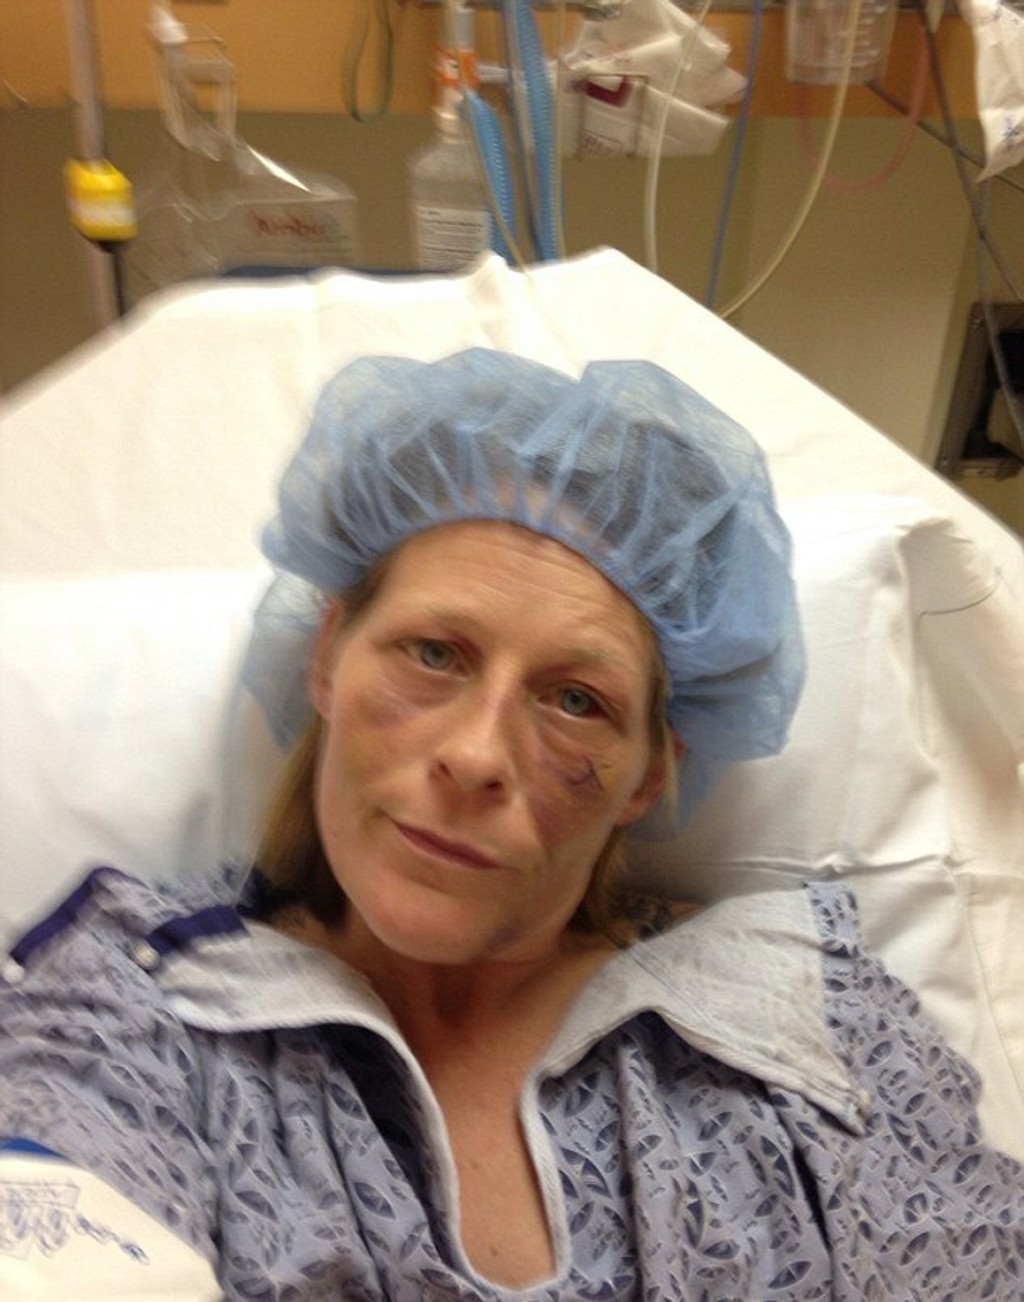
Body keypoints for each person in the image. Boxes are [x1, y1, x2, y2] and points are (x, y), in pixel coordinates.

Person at [0, 349, 1021, 1301]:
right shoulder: (142, 999)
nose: (478, 755)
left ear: (647, 775)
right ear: (327, 657)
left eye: (577, 700)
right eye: (434, 652)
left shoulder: (805, 1022)